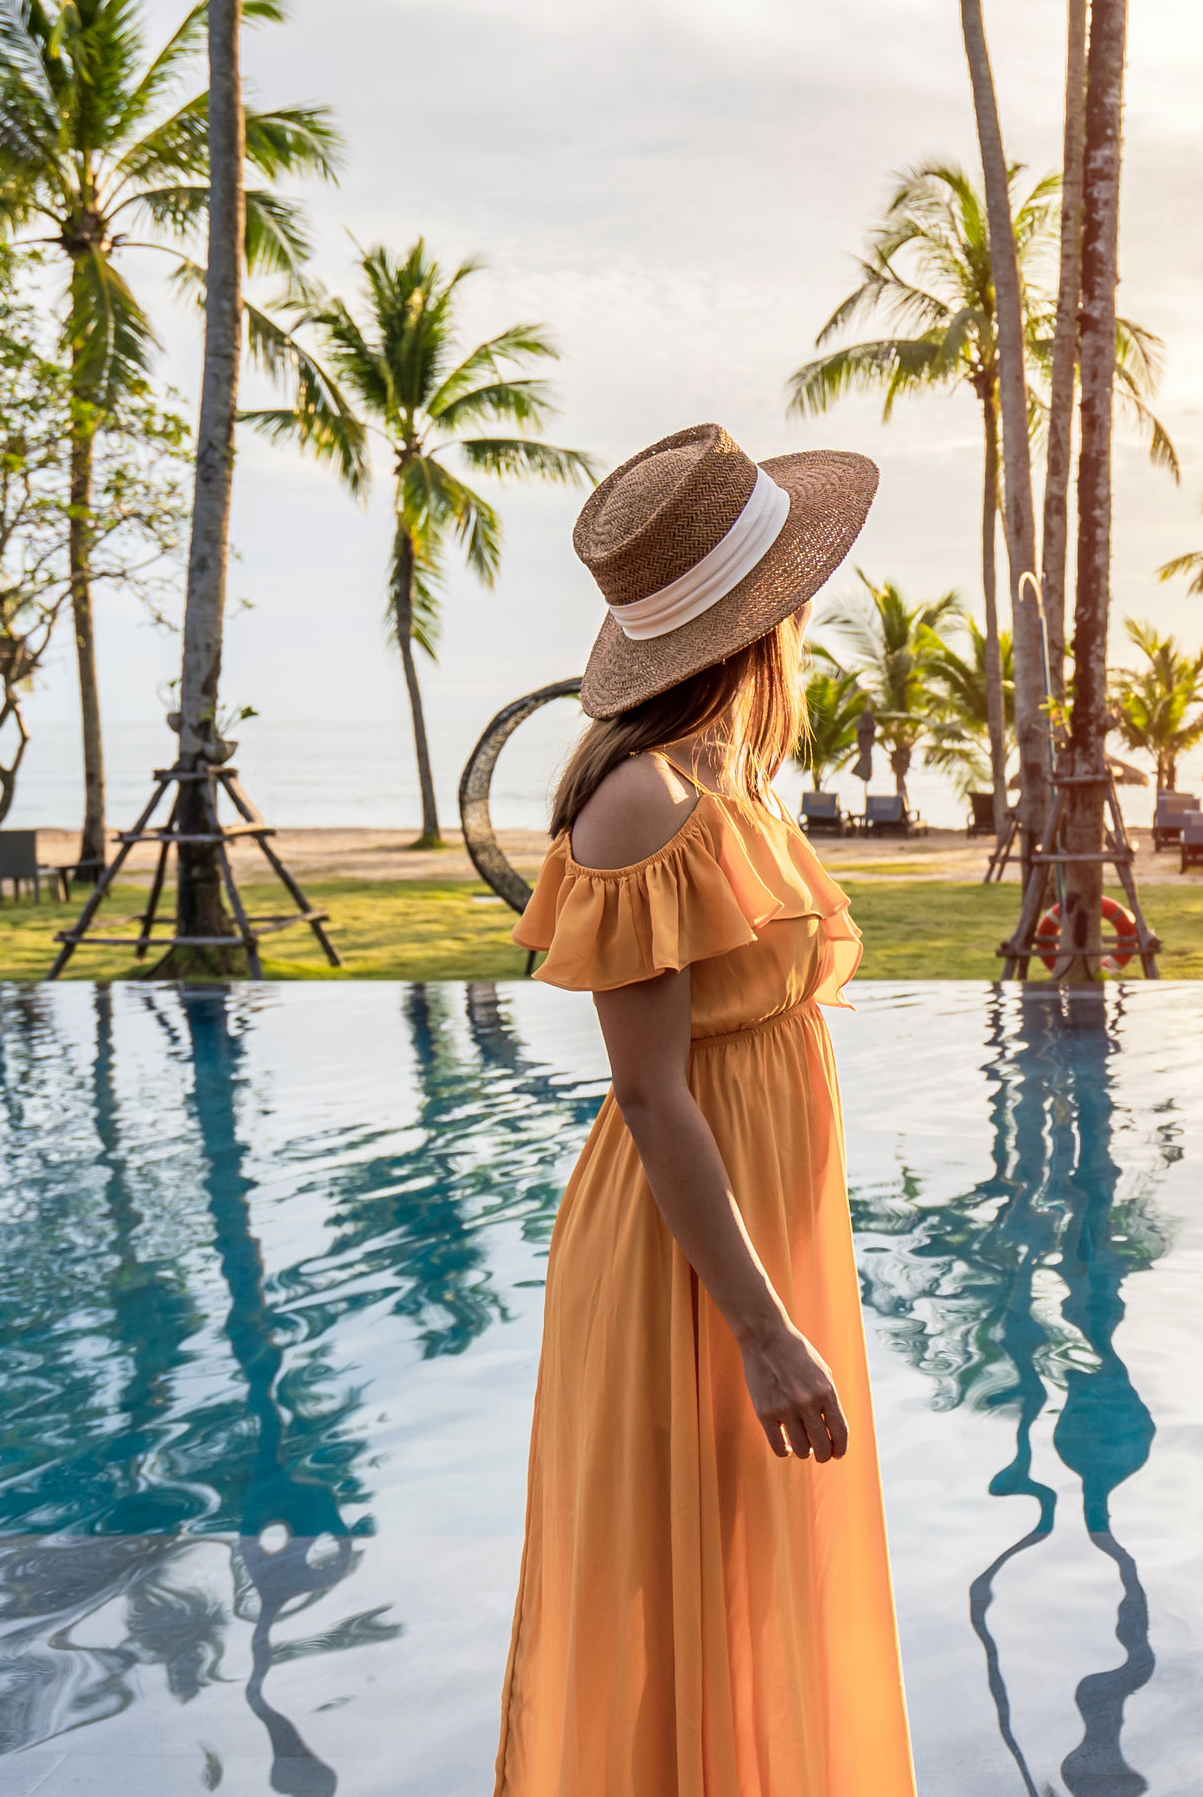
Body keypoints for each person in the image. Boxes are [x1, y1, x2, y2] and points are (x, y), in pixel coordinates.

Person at [495, 424, 915, 1795]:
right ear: (759, 623)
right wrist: (766, 1331)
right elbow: (654, 1092)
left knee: (752, 1578)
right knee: (682, 1587)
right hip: (696, 1264)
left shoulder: (730, 785)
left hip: (758, 1235)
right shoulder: (640, 804)